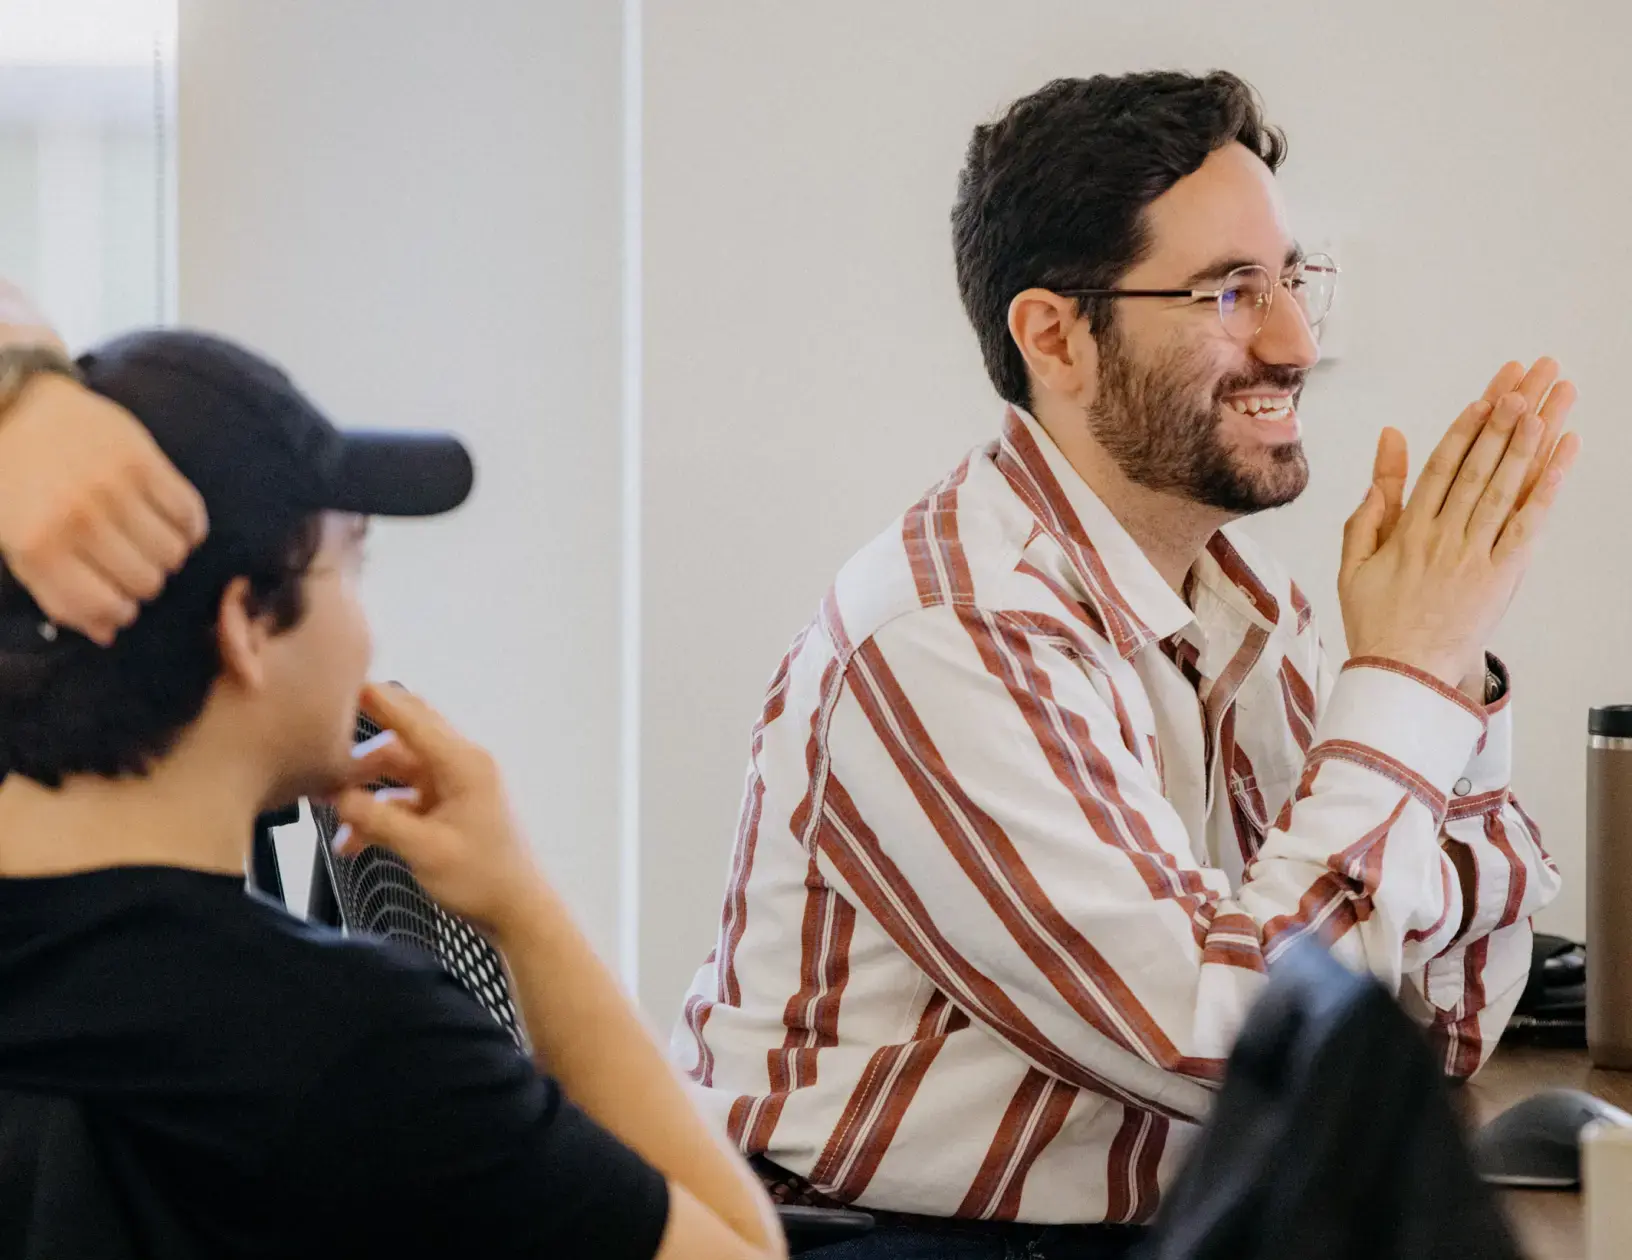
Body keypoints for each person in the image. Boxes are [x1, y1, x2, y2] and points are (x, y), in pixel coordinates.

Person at [666, 73, 1578, 1258]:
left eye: (1293, 280)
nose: (1297, 341)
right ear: (1055, 337)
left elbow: (1424, 1041)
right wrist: (1402, 682)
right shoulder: (951, 634)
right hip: (892, 1242)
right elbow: (1240, 1052)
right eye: (1229, 291)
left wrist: (1446, 674)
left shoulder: (1247, 607)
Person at [0, 328, 786, 1259]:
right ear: (247, 624)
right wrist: (525, 909)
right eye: (354, 565)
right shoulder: (347, 1047)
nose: (368, 628)